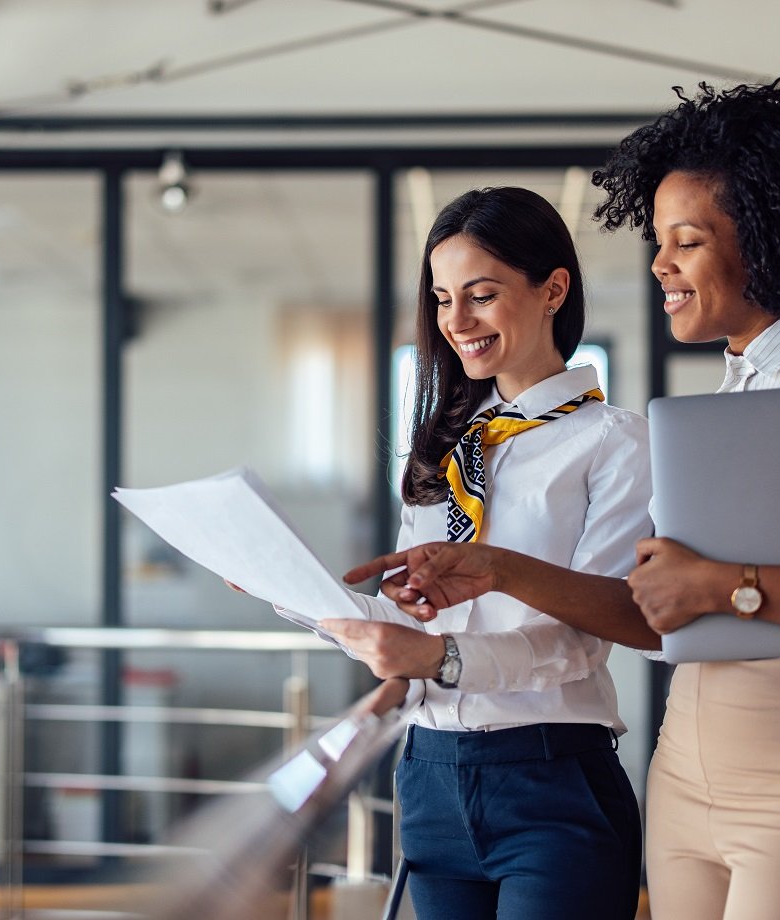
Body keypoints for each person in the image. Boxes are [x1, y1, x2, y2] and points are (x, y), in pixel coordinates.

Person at [343, 80, 780, 920]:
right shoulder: (730, 388)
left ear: (769, 239)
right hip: (690, 743)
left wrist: (721, 586)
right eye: (660, 240)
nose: (659, 265)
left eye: (686, 241)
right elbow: (666, 608)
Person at [291, 186, 653, 919]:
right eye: (441, 298)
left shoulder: (616, 444)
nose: (456, 322)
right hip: (428, 775)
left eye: (480, 295)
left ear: (553, 289)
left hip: (549, 775)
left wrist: (443, 661)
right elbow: (418, 622)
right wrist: (288, 584)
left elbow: (590, 633)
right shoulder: (449, 446)